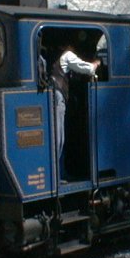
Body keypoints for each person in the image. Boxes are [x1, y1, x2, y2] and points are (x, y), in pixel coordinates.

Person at [51, 44, 100, 179]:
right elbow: (88, 69)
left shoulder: (55, 58)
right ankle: (57, 176)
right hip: (58, 96)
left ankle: (60, 173)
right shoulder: (67, 56)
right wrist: (96, 63)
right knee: (59, 138)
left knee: (59, 137)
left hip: (55, 96)